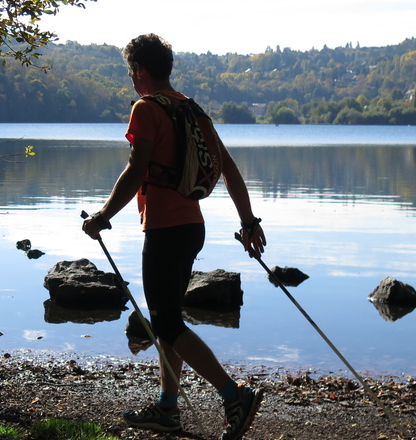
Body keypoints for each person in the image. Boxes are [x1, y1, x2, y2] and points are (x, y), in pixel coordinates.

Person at [81, 34, 267, 440]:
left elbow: (135, 170)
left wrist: (102, 216)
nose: (132, 78)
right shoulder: (192, 109)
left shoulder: (146, 109)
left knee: (166, 321)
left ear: (142, 71)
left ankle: (233, 394)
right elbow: (230, 168)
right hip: (192, 227)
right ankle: (167, 409)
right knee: (169, 319)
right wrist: (248, 221)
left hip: (166, 228)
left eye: (132, 71)